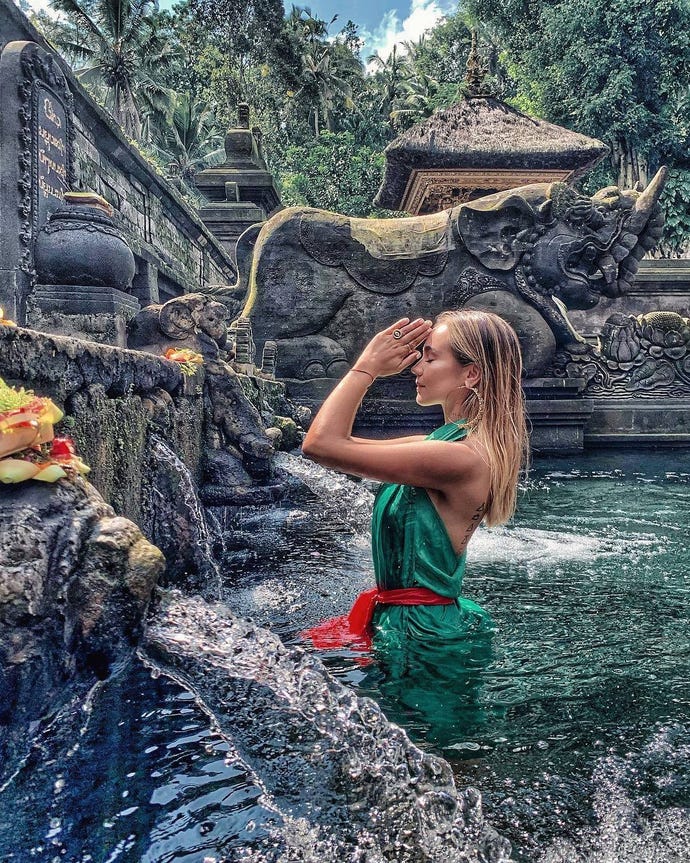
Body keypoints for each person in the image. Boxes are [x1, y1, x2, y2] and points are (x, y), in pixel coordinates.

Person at [300, 309, 529, 661]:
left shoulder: (459, 459)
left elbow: (321, 445)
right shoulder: (440, 445)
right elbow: (334, 442)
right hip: (411, 628)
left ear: (471, 374)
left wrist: (367, 368)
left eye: (431, 357)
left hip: (422, 638)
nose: (416, 367)